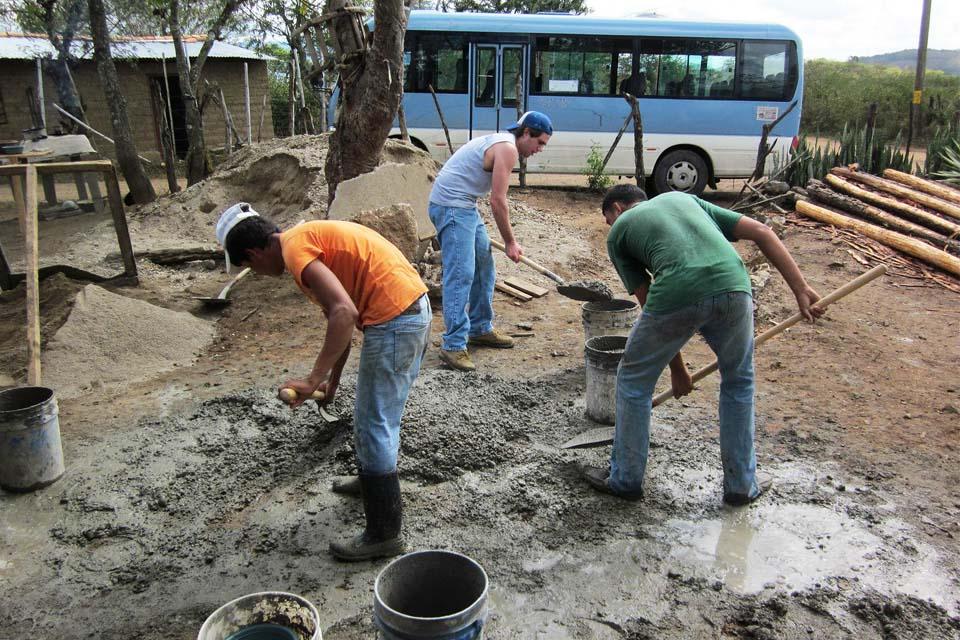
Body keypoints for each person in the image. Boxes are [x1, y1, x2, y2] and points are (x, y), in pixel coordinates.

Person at [582, 185, 823, 505]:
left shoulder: (620, 231)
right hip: (735, 287)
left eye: (608, 219)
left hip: (676, 290)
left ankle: (625, 479)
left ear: (617, 208)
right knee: (739, 381)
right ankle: (741, 485)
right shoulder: (684, 199)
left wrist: (678, 370)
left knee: (634, 380)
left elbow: (649, 299)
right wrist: (801, 288)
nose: (610, 226)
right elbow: (763, 232)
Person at [216, 203, 431, 561]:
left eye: (249, 267)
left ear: (253, 253)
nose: (258, 273)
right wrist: (331, 383)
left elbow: (343, 313)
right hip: (405, 310)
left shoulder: (297, 250)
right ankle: (370, 483)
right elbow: (343, 318)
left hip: (396, 318)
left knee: (374, 422)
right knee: (370, 418)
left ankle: (384, 533)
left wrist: (311, 377)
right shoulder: (304, 241)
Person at [428, 110, 553, 372]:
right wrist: (510, 242)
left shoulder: (504, 143)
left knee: (484, 266)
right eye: (539, 142)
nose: (540, 149)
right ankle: (452, 345)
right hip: (451, 206)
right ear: (526, 133)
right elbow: (498, 201)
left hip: (464, 205)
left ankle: (479, 328)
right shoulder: (508, 148)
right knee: (461, 274)